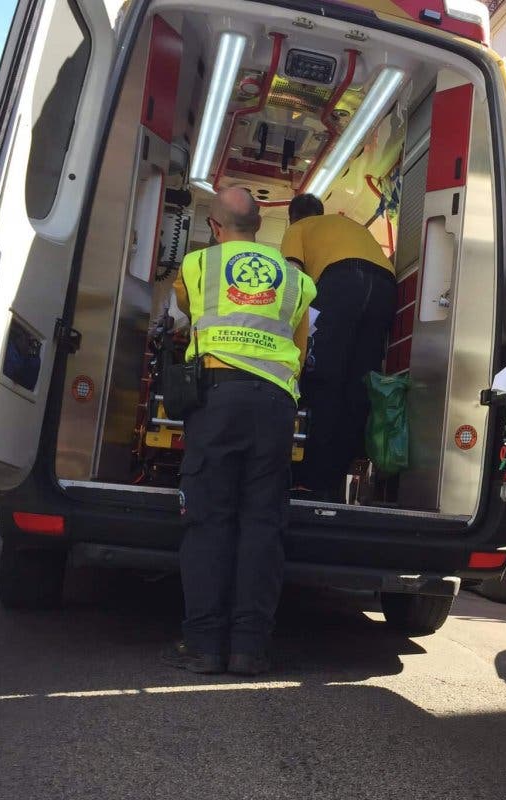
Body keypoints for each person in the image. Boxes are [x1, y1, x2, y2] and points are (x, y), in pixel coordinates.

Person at [161, 187, 316, 676]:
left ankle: (205, 645)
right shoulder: (295, 281)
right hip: (273, 407)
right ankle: (249, 648)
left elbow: (182, 315)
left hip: (217, 400)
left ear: (215, 226)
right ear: (261, 227)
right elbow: (301, 346)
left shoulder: (199, 266)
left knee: (208, 521)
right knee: (262, 524)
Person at [279, 193, 397, 501]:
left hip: (341, 281)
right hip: (385, 284)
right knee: (360, 382)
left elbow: (292, 280)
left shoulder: (298, 229)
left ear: (294, 217)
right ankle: (343, 476)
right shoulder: (346, 225)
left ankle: (312, 480)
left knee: (323, 379)